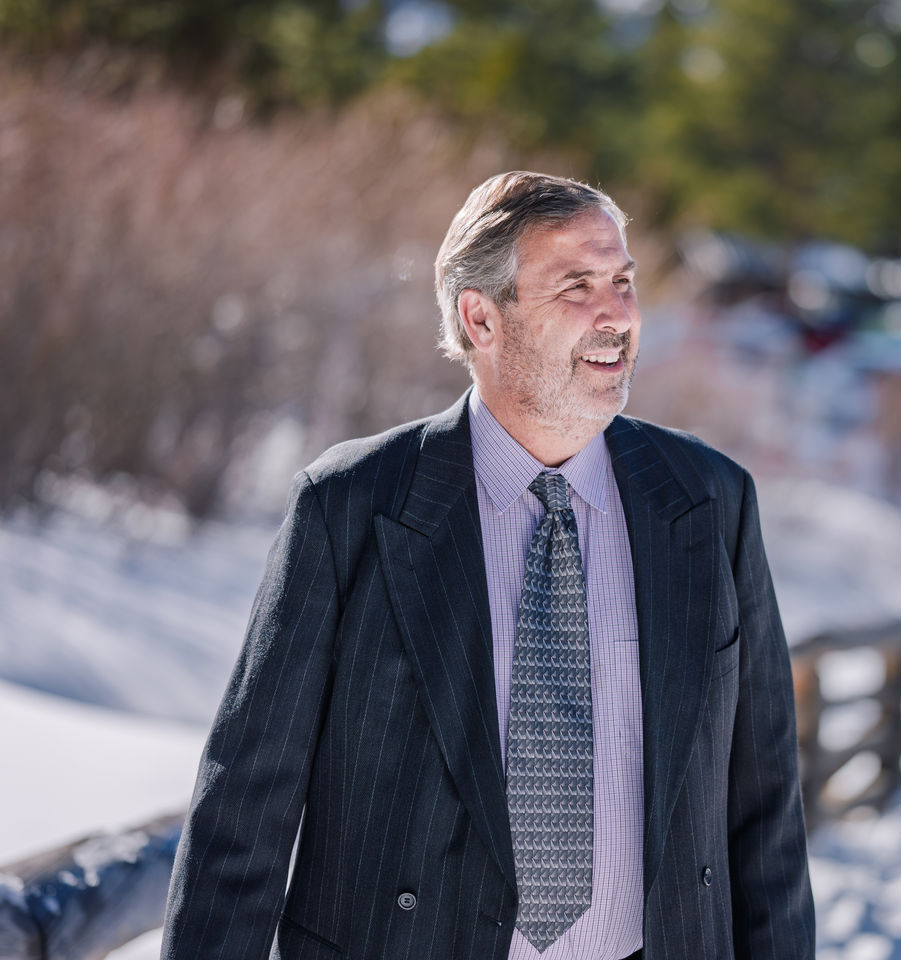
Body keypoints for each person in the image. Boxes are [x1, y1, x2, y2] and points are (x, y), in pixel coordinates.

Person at [160, 172, 815, 960]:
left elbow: (766, 806)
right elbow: (245, 808)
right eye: (577, 285)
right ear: (482, 318)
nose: (618, 317)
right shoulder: (351, 506)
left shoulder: (711, 503)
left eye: (623, 282)